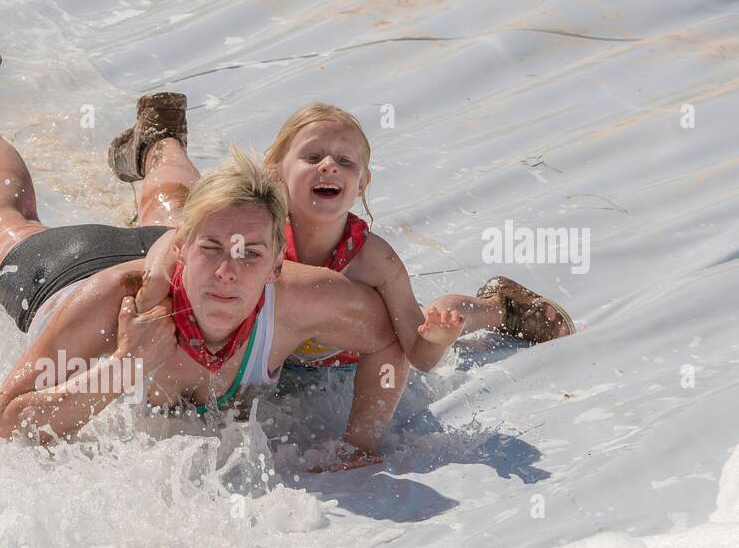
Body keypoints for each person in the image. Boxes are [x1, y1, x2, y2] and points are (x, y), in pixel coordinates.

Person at [0, 45, 463, 464]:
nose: (227, 273)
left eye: (250, 256)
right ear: (181, 250)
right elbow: (5, 427)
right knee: (3, 223)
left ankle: (157, 138)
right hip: (69, 268)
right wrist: (123, 366)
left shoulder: (295, 297)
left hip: (178, 233)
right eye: (212, 251)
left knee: (176, 204)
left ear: (277, 267)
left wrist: (360, 449)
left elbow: (388, 342)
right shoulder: (119, 306)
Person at [110, 98, 574, 371]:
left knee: (438, 315)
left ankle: (498, 307)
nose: (329, 166)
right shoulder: (251, 235)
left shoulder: (374, 262)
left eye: (345, 163)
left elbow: (417, 354)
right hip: (265, 353)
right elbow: (167, 247)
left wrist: (436, 337)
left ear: (361, 185)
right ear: (275, 172)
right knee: (170, 206)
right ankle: (159, 139)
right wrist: (154, 280)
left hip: (312, 362)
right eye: (313, 158)